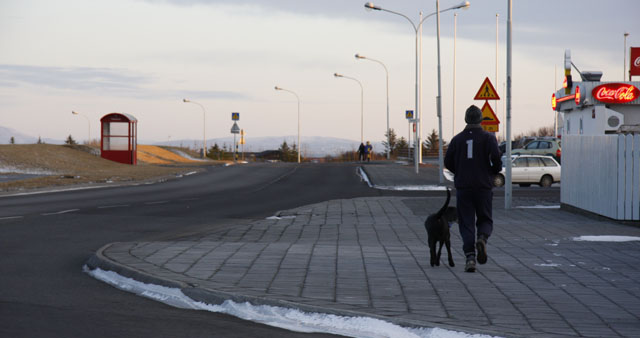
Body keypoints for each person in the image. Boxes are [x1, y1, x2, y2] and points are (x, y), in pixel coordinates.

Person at [444, 105, 502, 273]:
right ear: (480, 120)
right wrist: (491, 172)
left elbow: (448, 162)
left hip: (464, 187)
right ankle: (482, 238)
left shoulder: (457, 139)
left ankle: (470, 257)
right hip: (483, 186)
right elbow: (497, 160)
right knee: (485, 218)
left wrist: (460, 171)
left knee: (466, 222)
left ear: (466, 120)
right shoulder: (488, 138)